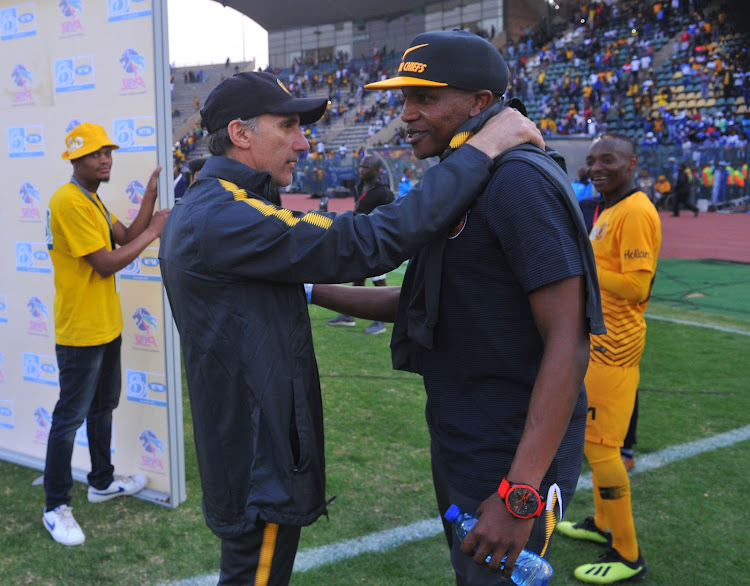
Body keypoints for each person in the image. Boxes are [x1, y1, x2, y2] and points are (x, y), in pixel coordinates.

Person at [158, 70, 544, 585]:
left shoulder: (221, 206)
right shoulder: (222, 215)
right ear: (240, 134)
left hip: (255, 451)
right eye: (289, 126)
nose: (303, 142)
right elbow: (365, 240)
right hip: (260, 462)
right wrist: (486, 146)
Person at [310, 30, 605, 585]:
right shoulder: (469, 175)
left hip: (510, 453)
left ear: (478, 103)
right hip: (466, 435)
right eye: (404, 99)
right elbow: (420, 301)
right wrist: (306, 290)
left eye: (425, 98)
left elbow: (569, 339)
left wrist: (520, 495)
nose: (406, 114)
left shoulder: (518, 181)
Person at [43, 122, 169, 546]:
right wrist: (155, 231)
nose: (105, 159)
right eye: (96, 154)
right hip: (80, 330)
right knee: (69, 420)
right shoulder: (69, 202)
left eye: (107, 153)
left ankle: (101, 481)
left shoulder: (91, 199)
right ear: (75, 160)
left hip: (106, 324)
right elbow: (105, 263)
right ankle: (55, 506)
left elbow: (127, 236)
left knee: (102, 409)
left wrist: (150, 194)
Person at [557, 133, 661, 584]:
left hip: (615, 349)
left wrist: (584, 265)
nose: (598, 167)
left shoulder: (636, 210)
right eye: (594, 160)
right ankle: (602, 523)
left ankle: (627, 552)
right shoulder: (610, 208)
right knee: (594, 441)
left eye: (610, 160)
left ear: (632, 162)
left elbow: (638, 287)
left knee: (602, 449)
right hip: (600, 343)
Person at [327, 155, 395, 334]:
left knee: (379, 282)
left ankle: (380, 320)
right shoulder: (358, 186)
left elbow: (392, 216)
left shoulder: (383, 192)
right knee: (358, 277)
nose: (361, 170)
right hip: (360, 239)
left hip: (376, 242)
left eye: (366, 168)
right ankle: (349, 315)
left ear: (376, 171)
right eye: (361, 167)